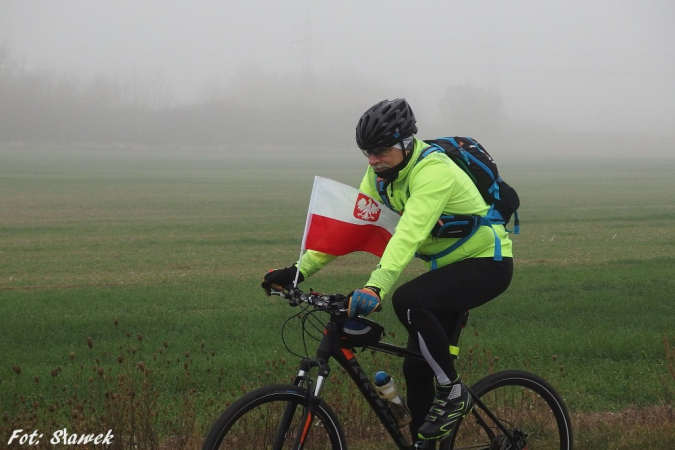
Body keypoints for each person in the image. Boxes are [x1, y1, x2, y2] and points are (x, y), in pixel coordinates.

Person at [261, 98, 513, 442]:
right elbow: (352, 227)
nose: (373, 160)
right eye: (367, 152)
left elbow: (409, 234)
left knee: (409, 300)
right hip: (446, 268)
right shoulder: (379, 176)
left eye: (380, 151)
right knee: (415, 367)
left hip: (487, 263)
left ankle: (453, 392)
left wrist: (375, 287)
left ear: (406, 143)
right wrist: (298, 271)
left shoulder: (432, 171)